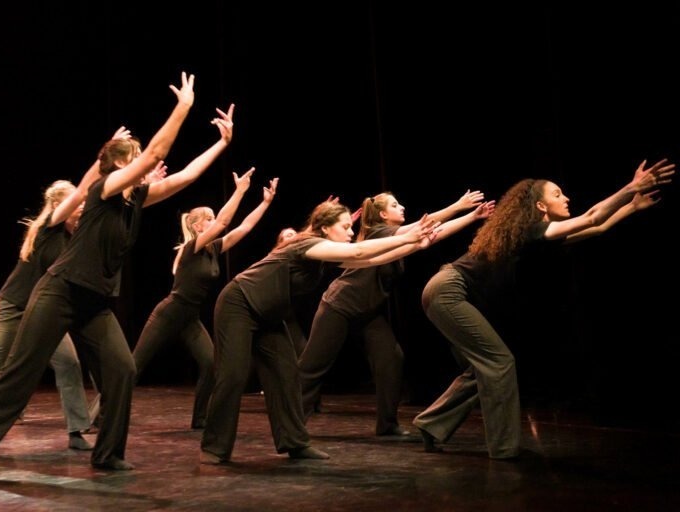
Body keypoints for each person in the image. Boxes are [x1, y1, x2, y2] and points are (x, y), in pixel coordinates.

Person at [0, 72, 215, 482]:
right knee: (18, 374)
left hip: (94, 302)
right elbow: (156, 153)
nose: (147, 165)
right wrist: (184, 108)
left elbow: (187, 176)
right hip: (59, 292)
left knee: (122, 370)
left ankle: (107, 454)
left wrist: (221, 144)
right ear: (122, 164)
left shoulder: (134, 200)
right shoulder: (104, 190)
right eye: (136, 159)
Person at [412, 159, 674, 459]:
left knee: (481, 369)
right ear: (539, 206)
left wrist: (631, 207)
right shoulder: (530, 229)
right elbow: (590, 217)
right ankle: (503, 448)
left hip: (447, 292)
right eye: (558, 194)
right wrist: (630, 188)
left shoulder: (536, 233)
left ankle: (431, 424)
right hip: (448, 291)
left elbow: (596, 227)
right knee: (499, 363)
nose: (567, 199)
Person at [200, 199, 439, 464]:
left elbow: (370, 259)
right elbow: (359, 252)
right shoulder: (307, 244)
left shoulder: (324, 254)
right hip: (239, 303)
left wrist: (413, 244)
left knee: (286, 375)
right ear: (325, 229)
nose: (351, 233)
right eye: (346, 227)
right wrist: (407, 239)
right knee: (233, 375)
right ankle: (215, 447)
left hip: (269, 314)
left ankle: (295, 442)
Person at [299, 190, 494, 436]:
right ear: (382, 214)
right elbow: (426, 223)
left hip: (368, 313)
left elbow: (433, 235)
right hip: (340, 306)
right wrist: (457, 206)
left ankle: (388, 425)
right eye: (394, 204)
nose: (401, 207)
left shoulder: (396, 236)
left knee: (391, 359)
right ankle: (290, 424)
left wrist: (472, 217)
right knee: (313, 366)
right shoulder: (379, 231)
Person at [114, 169, 278, 430]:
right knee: (135, 365)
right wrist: (240, 191)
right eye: (209, 218)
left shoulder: (213, 249)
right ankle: (101, 415)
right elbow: (224, 222)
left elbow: (244, 227)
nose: (215, 221)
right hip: (170, 313)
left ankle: (200, 418)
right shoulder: (192, 248)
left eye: (213, 217)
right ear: (197, 225)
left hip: (189, 317)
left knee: (211, 363)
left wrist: (265, 203)